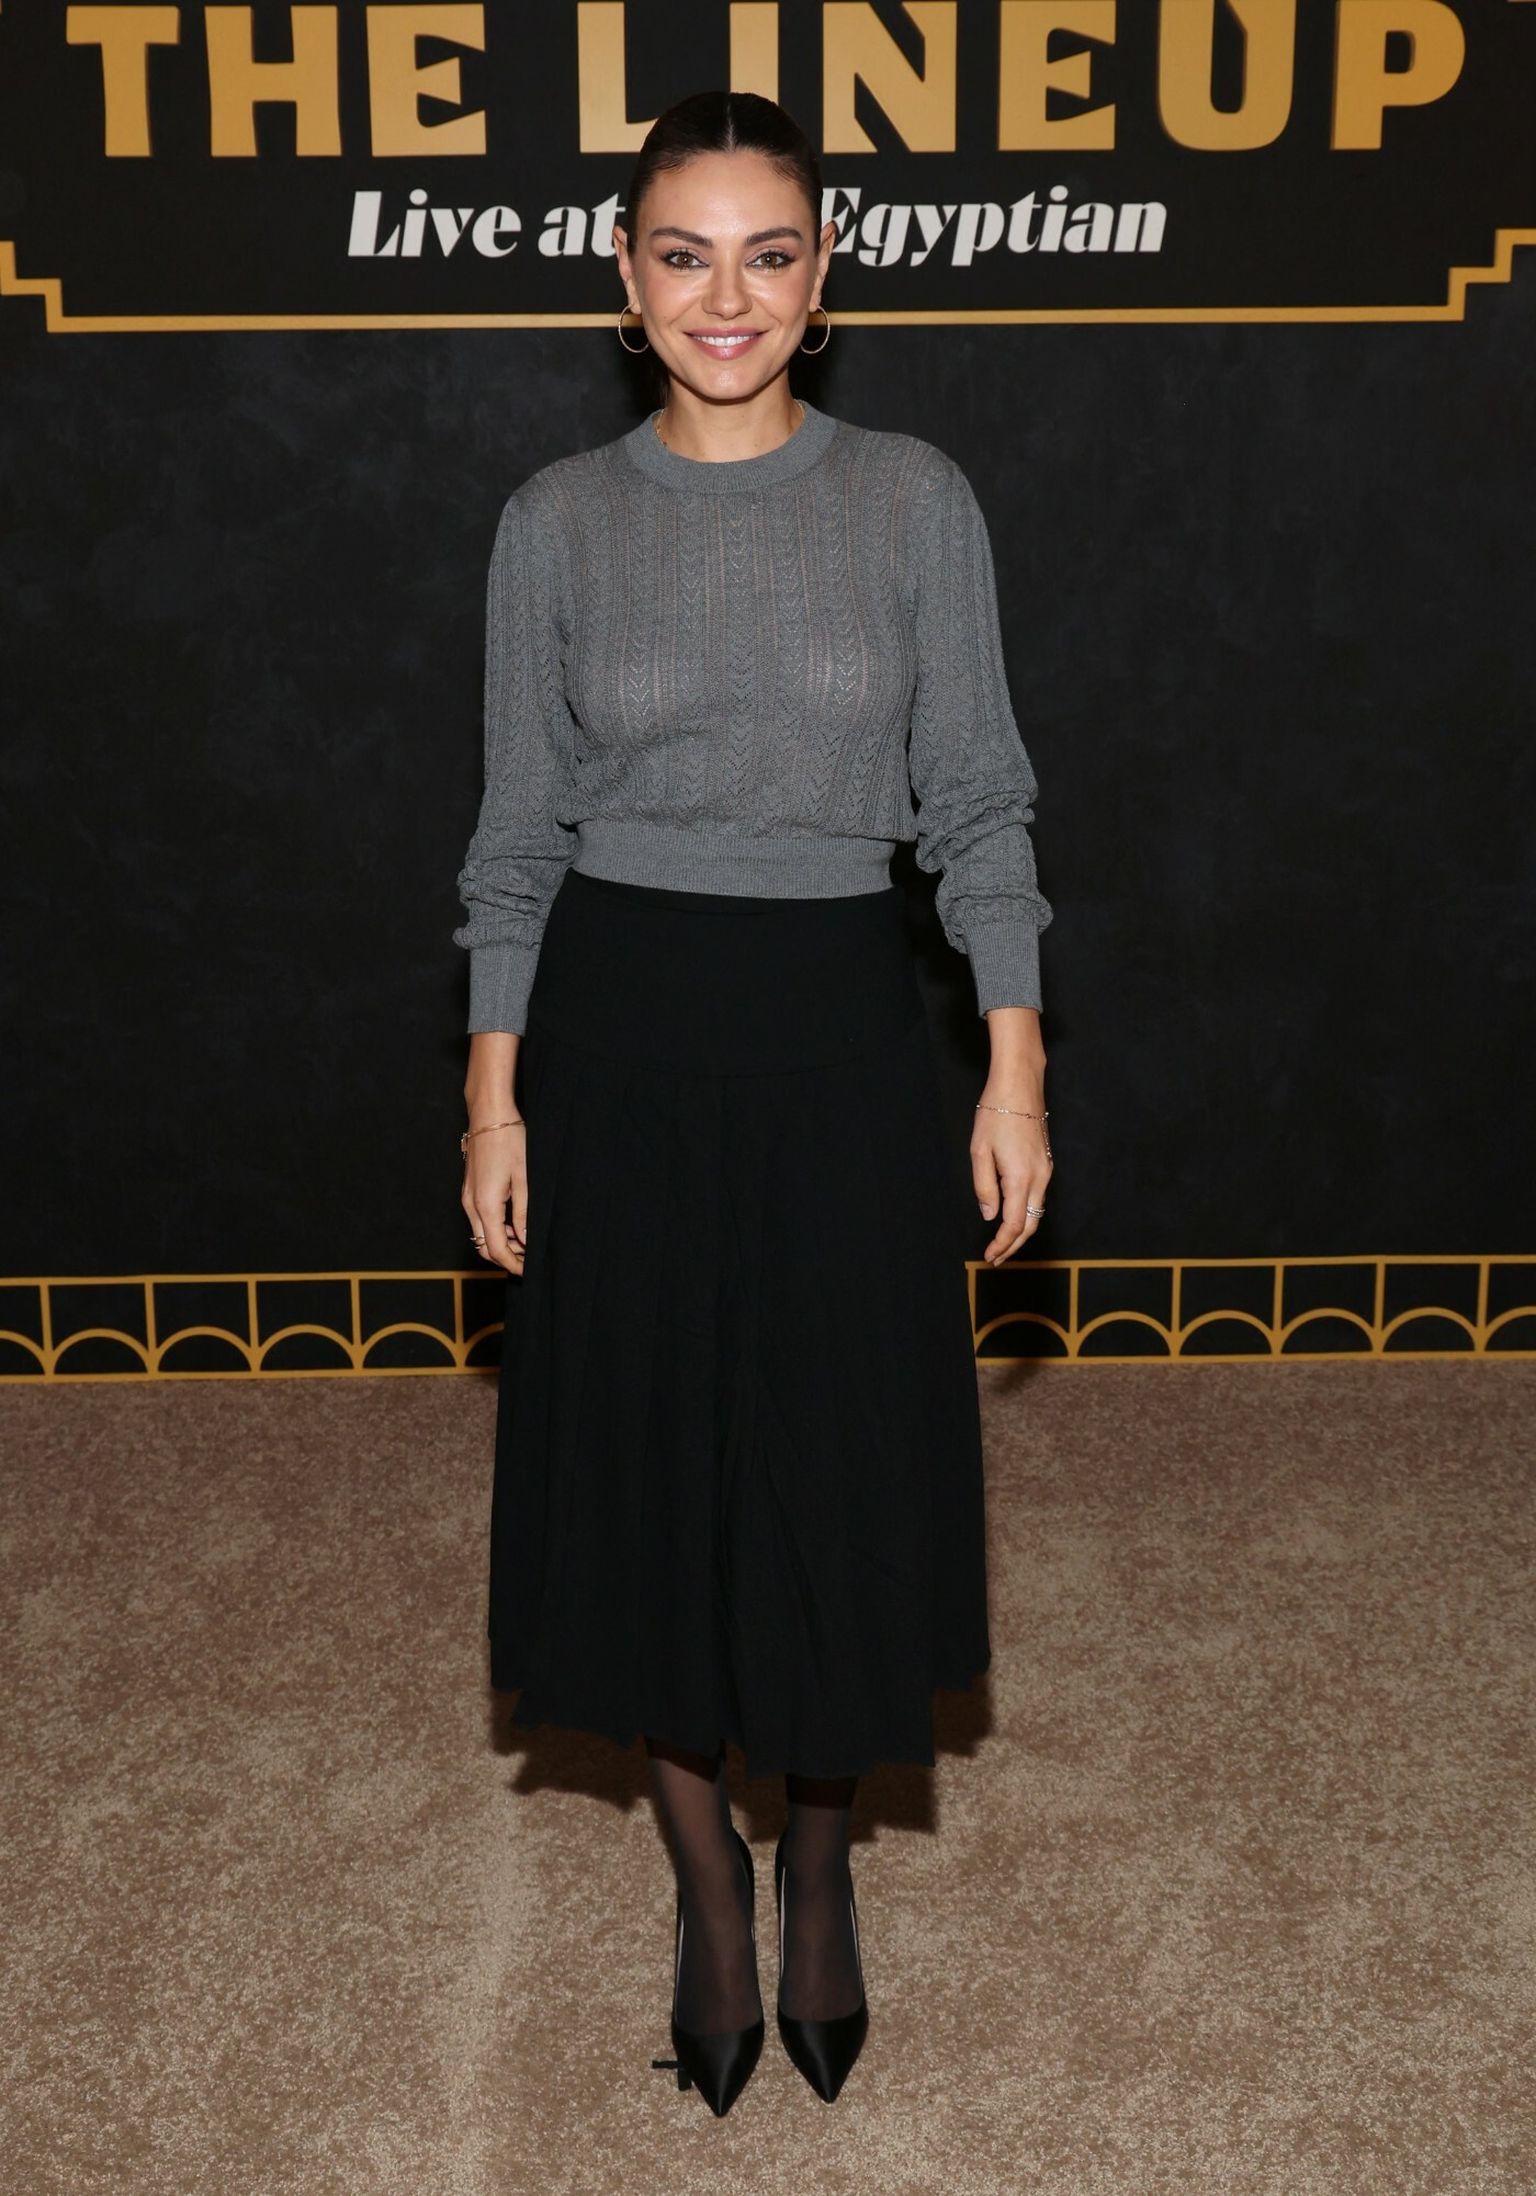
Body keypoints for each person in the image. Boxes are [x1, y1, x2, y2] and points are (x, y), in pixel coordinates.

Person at [452, 89, 1053, 2118]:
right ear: (623, 284)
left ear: (824, 279)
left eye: (768, 253)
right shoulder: (555, 520)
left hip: (843, 1040)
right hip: (617, 1040)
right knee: (651, 1475)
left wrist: (1015, 1064)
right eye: (684, 254)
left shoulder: (913, 501)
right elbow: (514, 841)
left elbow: (980, 804)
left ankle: (821, 1863)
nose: (729, 296)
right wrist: (495, 1105)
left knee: (831, 1471)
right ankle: (708, 1884)